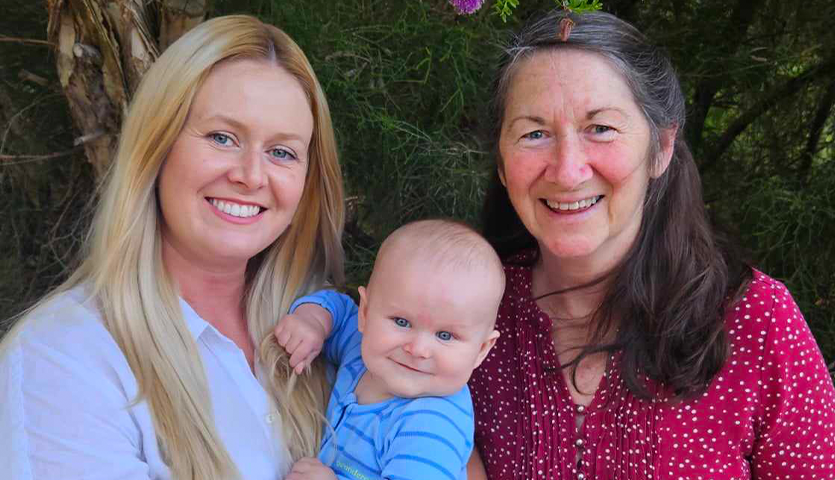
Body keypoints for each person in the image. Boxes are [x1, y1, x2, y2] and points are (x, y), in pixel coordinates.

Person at [466, 8, 835, 480]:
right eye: (534, 134)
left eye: (600, 128)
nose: (566, 170)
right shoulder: (463, 311)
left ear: (660, 148)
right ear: (501, 164)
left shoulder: (756, 320)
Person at [0, 15, 346, 480]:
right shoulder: (63, 359)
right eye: (222, 137)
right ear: (155, 148)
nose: (251, 175)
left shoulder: (336, 339)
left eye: (282, 152)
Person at [274, 219, 504, 480]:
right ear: (366, 313)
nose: (417, 349)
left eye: (445, 335)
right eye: (402, 322)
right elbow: (337, 309)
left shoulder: (432, 426)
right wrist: (313, 321)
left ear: (482, 350)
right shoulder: (362, 347)